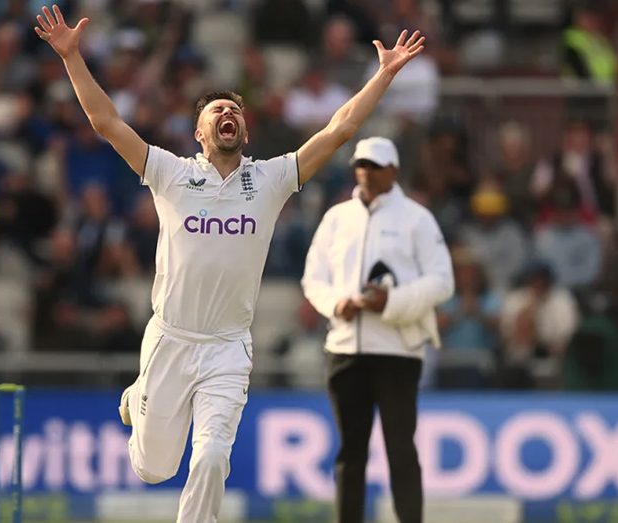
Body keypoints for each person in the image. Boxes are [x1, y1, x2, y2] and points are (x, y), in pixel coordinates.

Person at [34, 5, 426, 522]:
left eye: (235, 111)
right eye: (217, 110)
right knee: (153, 469)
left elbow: (338, 130)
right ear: (198, 132)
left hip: (228, 348)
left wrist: (384, 76)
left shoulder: (270, 180)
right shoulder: (170, 173)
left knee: (214, 456)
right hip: (172, 339)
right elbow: (105, 122)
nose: (228, 114)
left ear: (243, 129)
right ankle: (140, 396)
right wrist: (72, 57)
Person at [302, 137, 453, 523]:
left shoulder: (417, 218)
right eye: (361, 165)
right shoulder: (337, 218)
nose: (365, 172)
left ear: (394, 171)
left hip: (398, 351)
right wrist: (339, 304)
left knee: (400, 449)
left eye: (374, 165)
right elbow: (313, 279)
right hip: (346, 348)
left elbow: (442, 281)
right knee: (350, 452)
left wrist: (392, 303)